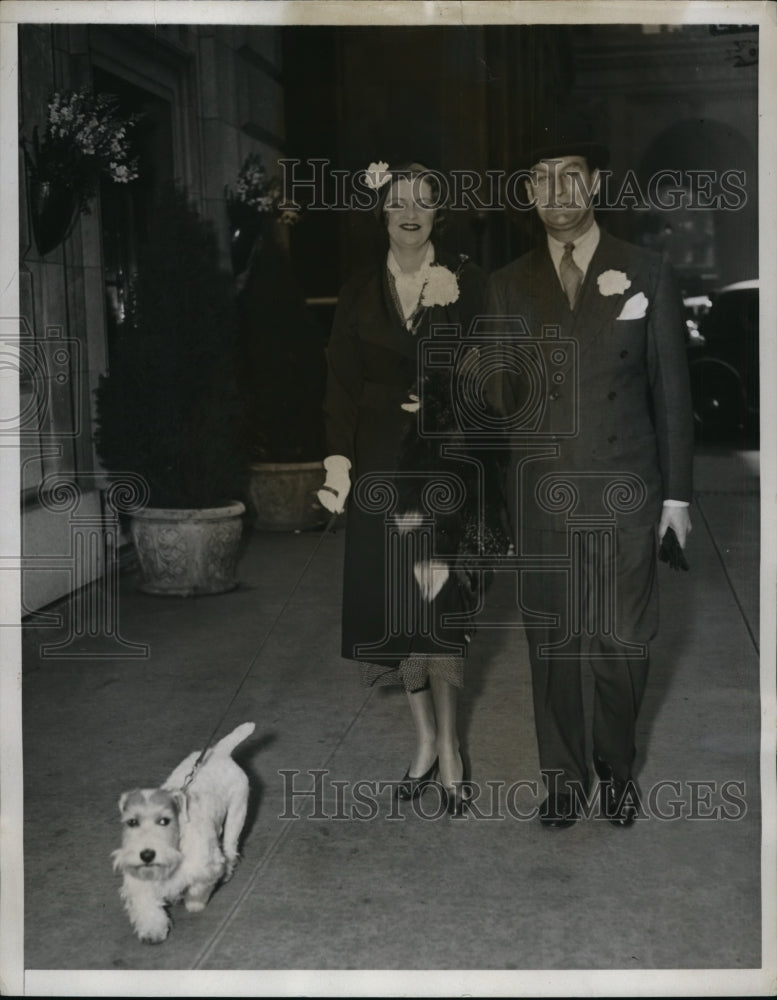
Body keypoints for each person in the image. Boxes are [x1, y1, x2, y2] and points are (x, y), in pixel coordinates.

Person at [486, 132, 694, 829]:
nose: (556, 192)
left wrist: (676, 496)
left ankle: (616, 765)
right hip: (541, 493)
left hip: (625, 489)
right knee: (553, 643)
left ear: (594, 185)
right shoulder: (506, 284)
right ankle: (563, 779)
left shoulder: (647, 272)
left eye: (569, 176)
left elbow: (670, 392)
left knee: (621, 642)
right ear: (527, 195)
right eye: (540, 179)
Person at [317, 161, 491, 815]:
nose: (409, 213)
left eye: (421, 202)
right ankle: (421, 742)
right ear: (382, 214)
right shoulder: (358, 291)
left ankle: (451, 750)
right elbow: (339, 385)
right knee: (397, 617)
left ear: (437, 214)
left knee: (438, 614)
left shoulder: (469, 285)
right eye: (397, 204)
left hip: (446, 468)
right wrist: (338, 462)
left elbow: (494, 372)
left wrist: (449, 403)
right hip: (380, 473)